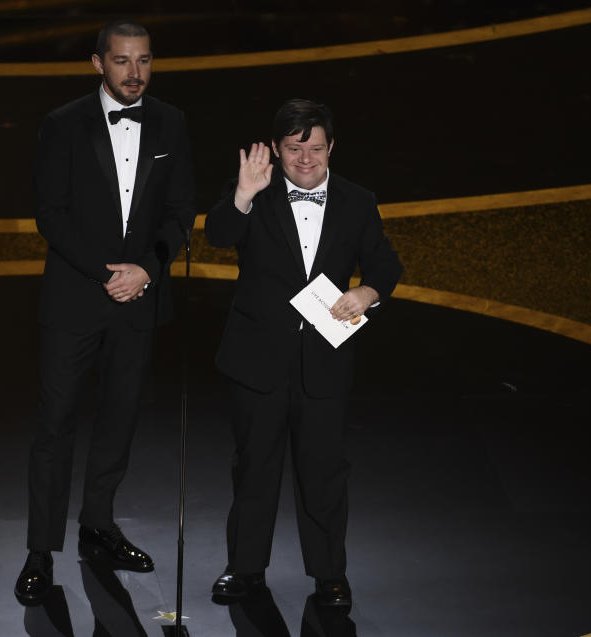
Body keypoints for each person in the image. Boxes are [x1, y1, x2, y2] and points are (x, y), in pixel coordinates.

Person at [14, 19, 196, 606]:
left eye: (144, 61)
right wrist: (107, 273)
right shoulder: (61, 125)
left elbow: (179, 213)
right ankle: (40, 552)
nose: (134, 73)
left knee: (119, 420)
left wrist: (147, 268)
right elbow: (52, 214)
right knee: (55, 426)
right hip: (75, 300)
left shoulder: (172, 122)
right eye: (122, 61)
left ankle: (98, 526)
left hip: (139, 297)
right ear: (99, 64)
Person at [205, 99, 401, 608]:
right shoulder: (253, 194)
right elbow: (219, 236)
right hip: (257, 360)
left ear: (331, 147)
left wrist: (366, 294)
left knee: (324, 471)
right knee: (254, 468)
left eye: (315, 148)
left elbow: (385, 263)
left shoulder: (358, 201)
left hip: (324, 361)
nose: (306, 159)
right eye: (294, 149)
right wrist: (244, 195)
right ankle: (245, 568)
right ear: (276, 149)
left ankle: (330, 575)